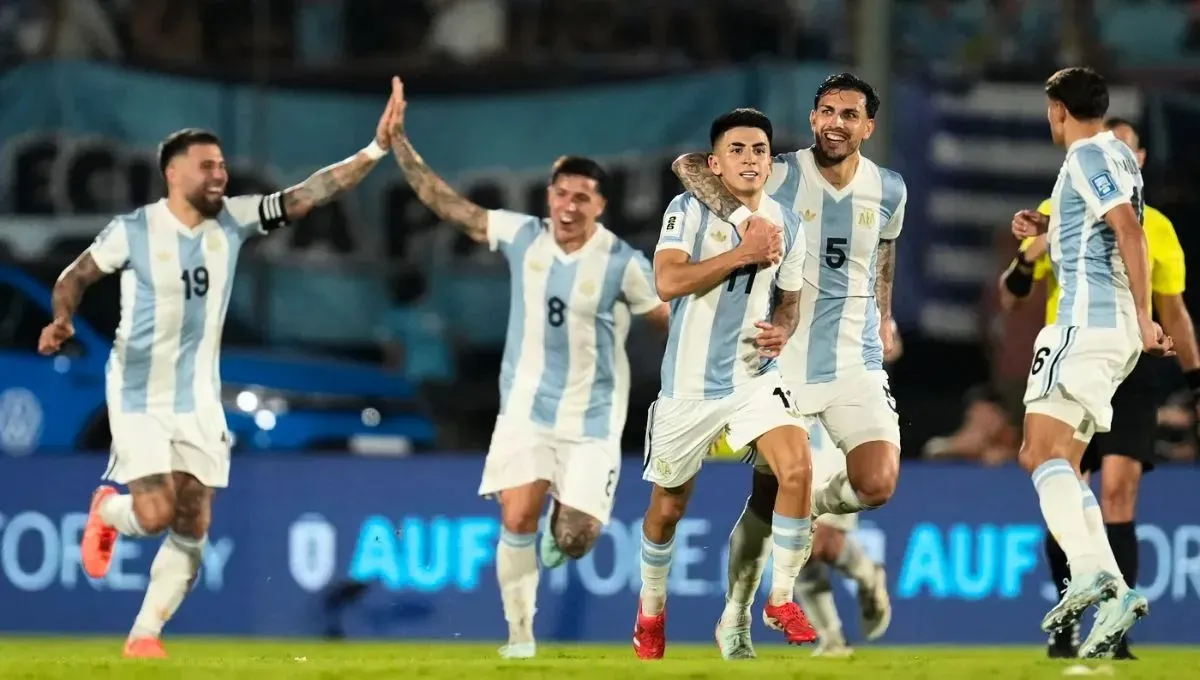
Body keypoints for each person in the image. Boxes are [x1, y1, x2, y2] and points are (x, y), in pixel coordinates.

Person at [36, 94, 399, 658]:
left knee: (194, 518)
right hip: (137, 391)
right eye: (207, 165)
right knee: (154, 515)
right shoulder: (133, 230)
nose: (219, 174)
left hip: (199, 397)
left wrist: (376, 148)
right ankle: (107, 511)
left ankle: (144, 636)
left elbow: (309, 193)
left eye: (223, 165)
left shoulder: (234, 217)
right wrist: (62, 317)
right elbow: (75, 275)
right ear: (173, 172)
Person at [385, 77, 668, 660]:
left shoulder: (622, 262)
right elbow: (448, 205)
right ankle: (520, 637)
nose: (568, 205)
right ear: (549, 196)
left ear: (600, 206)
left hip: (591, 421)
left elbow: (666, 319)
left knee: (577, 537)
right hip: (525, 411)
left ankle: (566, 525)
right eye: (561, 194)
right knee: (517, 516)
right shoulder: (521, 235)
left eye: (581, 198)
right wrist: (400, 147)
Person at [671, 74, 906, 656]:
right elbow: (687, 167)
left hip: (856, 358)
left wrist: (886, 313)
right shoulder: (777, 170)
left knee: (877, 483)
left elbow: (882, 249)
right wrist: (742, 218)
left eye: (849, 114)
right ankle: (736, 614)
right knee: (762, 500)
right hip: (783, 360)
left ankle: (810, 503)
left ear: (867, 126)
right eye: (827, 111)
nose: (836, 123)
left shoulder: (891, 189)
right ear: (813, 118)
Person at [999, 116, 1199, 659]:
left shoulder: (1149, 224)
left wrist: (1194, 379)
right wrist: (1033, 245)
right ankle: (1108, 598)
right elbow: (1013, 288)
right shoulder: (1063, 206)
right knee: (1069, 472)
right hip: (1107, 349)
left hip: (1103, 353)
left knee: (1061, 467)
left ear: (1139, 159)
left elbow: (1172, 309)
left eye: (1128, 147)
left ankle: (1093, 585)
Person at [635, 108, 816, 661]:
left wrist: (783, 327)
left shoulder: (789, 223)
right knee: (667, 509)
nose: (750, 158)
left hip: (751, 378)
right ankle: (651, 608)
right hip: (687, 388)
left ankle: (779, 598)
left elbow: (790, 297)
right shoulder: (686, 208)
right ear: (714, 163)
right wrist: (742, 253)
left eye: (759, 149)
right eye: (737, 149)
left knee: (798, 466)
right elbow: (666, 282)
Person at [711, 318, 902, 659]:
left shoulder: (847, 281)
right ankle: (831, 641)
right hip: (778, 390)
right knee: (781, 519)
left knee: (815, 534)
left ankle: (866, 576)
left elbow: (891, 342)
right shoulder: (773, 274)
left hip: (835, 404)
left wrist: (879, 333)